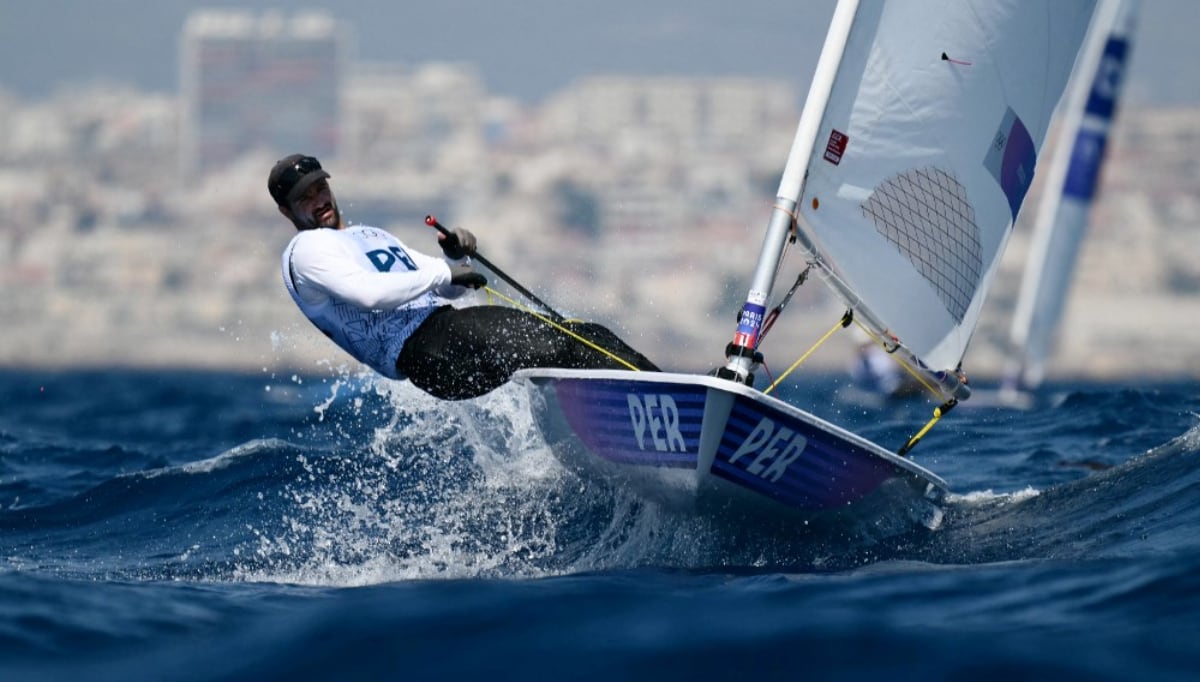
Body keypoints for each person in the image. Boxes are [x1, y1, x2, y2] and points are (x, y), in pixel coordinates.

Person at [270, 154, 658, 400]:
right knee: (563, 343)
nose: (319, 200)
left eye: (321, 188)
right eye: (305, 198)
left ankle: (651, 395)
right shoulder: (307, 251)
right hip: (427, 346)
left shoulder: (368, 236)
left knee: (585, 336)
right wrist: (443, 270)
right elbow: (369, 295)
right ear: (287, 212)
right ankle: (659, 397)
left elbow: (444, 285)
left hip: (445, 348)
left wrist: (452, 256)